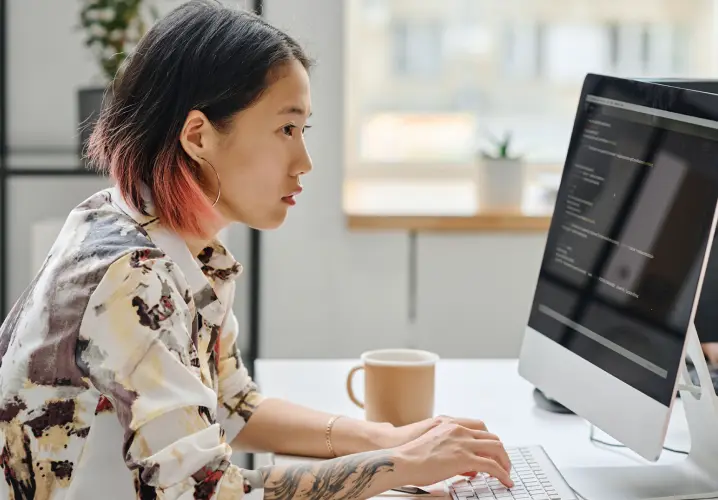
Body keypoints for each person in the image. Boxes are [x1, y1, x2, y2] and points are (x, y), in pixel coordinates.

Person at [0, 2, 512, 499]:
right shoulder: (133, 274)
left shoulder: (159, 234)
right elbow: (203, 494)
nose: (305, 160)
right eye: (286, 129)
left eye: (303, 129)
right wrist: (402, 465)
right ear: (198, 136)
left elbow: (232, 404)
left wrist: (387, 437)